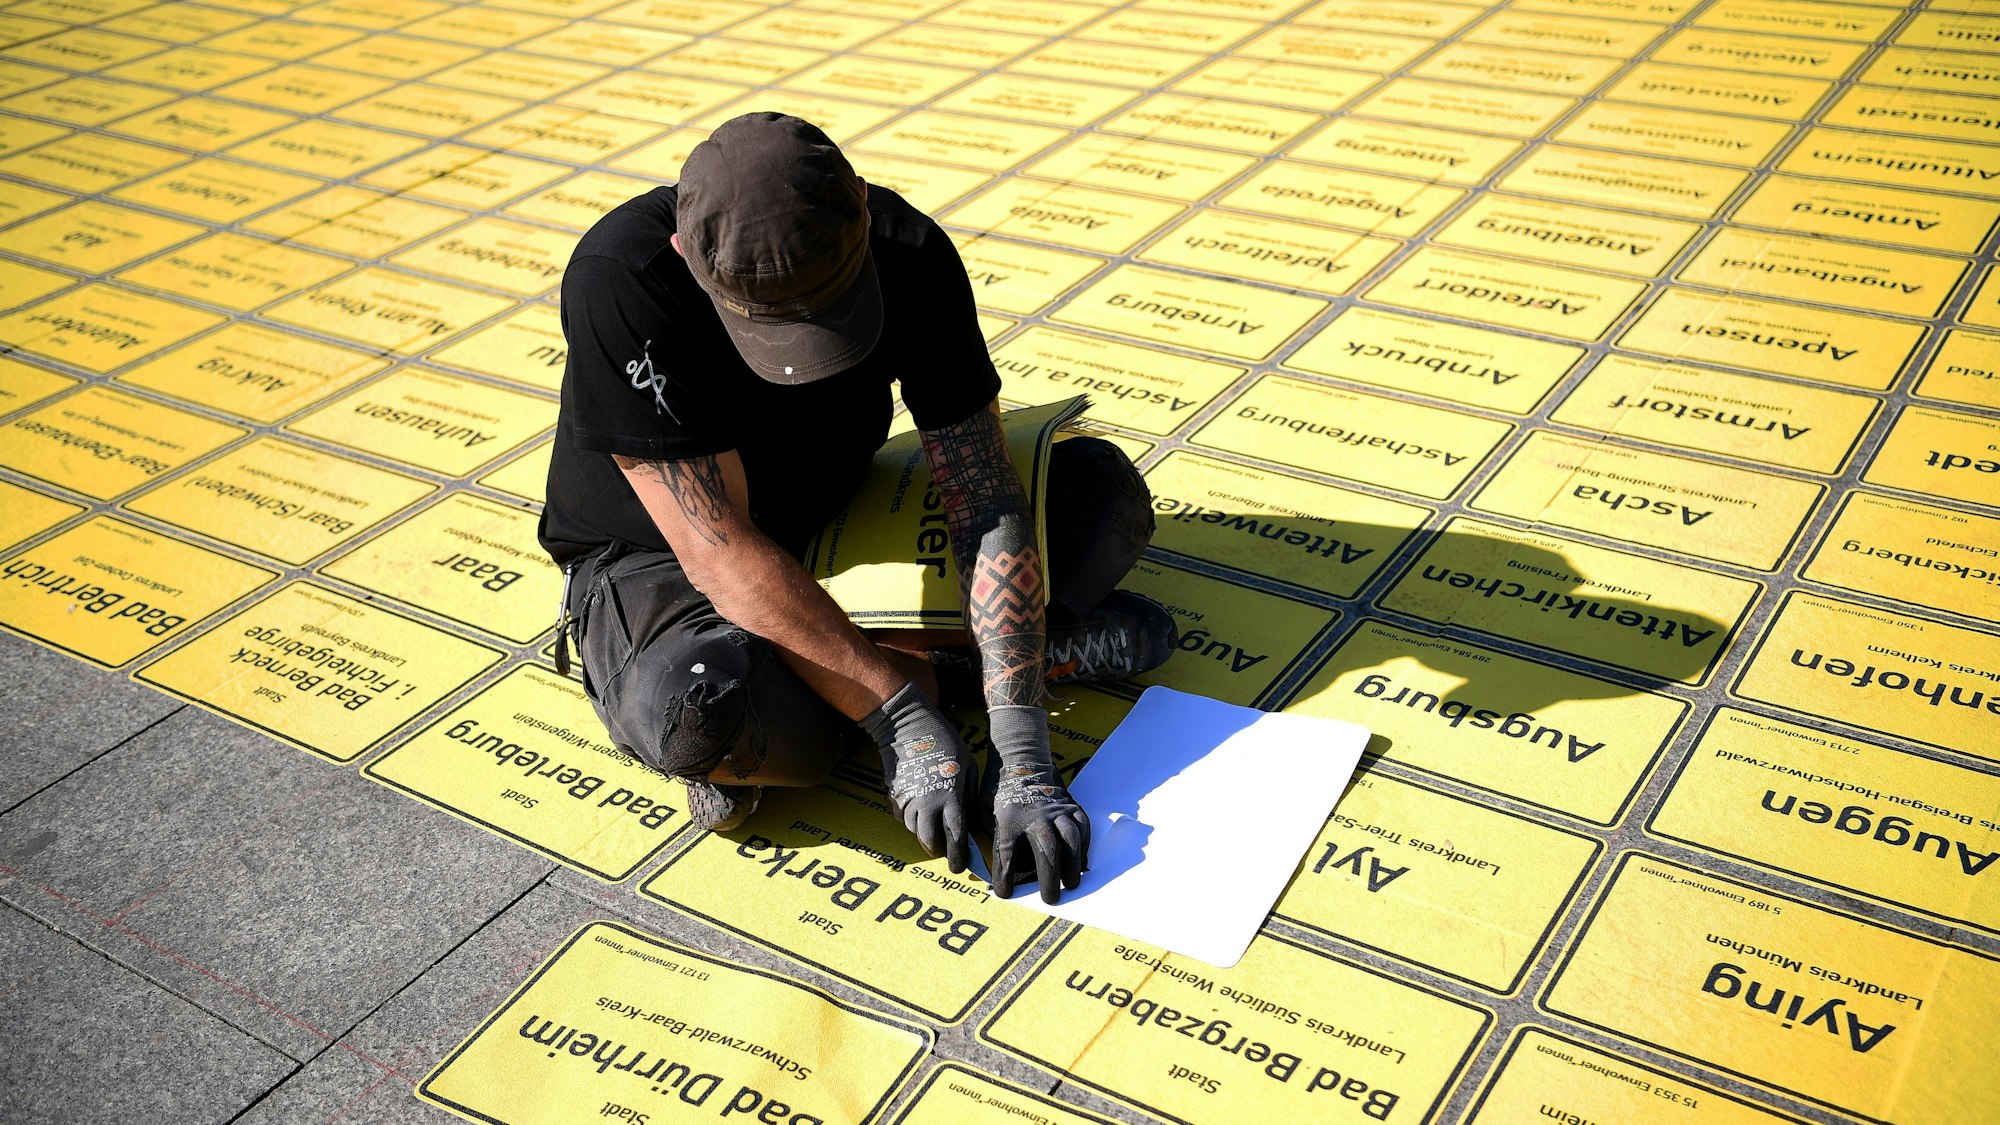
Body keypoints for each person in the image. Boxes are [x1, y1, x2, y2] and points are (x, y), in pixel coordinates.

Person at [538, 112, 1176, 904]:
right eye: (774, 333)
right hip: (658, 558)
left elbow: (981, 494)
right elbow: (720, 550)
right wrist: (899, 717)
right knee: (698, 710)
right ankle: (942, 671)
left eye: (833, 313)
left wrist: (1026, 755)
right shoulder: (621, 281)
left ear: (865, 207)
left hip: (831, 510)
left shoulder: (910, 248)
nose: (803, 365)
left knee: (1100, 498)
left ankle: (860, 695)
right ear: (685, 256)